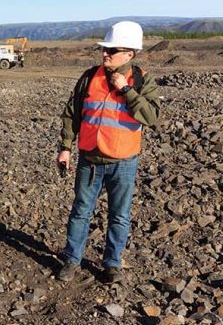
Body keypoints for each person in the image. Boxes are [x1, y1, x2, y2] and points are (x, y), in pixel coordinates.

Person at [55, 21, 160, 283]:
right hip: (90, 158)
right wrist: (65, 148)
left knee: (120, 215)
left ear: (130, 54)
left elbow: (151, 116)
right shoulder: (90, 77)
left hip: (123, 161)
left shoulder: (142, 79)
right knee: (80, 211)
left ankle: (112, 263)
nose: (105, 54)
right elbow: (72, 114)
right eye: (104, 49)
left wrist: (126, 90)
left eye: (112, 50)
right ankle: (71, 260)